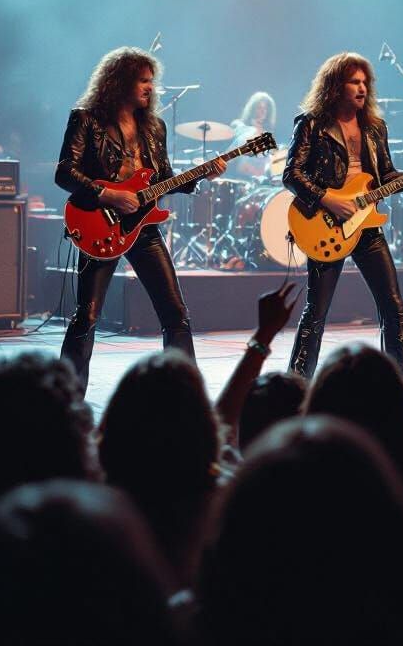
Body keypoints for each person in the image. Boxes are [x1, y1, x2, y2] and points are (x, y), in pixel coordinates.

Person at [55, 47, 225, 391]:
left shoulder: (154, 127)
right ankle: (65, 399)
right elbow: (64, 173)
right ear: (119, 82)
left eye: (152, 81)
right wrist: (108, 194)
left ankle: (185, 395)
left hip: (144, 230)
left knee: (176, 314)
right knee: (86, 317)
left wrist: (204, 174)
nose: (150, 87)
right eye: (143, 81)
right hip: (99, 224)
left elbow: (164, 178)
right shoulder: (86, 118)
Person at [282, 52, 403, 398]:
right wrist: (328, 198)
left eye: (365, 82)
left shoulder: (375, 127)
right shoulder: (311, 123)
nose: (362, 88)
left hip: (367, 224)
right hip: (327, 223)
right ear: (336, 86)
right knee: (317, 311)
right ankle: (295, 386)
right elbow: (291, 175)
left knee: (393, 304)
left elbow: (386, 176)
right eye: (354, 81)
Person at [229, 90, 277, 179]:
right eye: (259, 108)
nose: (263, 111)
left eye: (265, 108)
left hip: (262, 181)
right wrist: (254, 128)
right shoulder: (239, 125)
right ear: (253, 109)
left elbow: (273, 158)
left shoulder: (267, 134)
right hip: (241, 179)